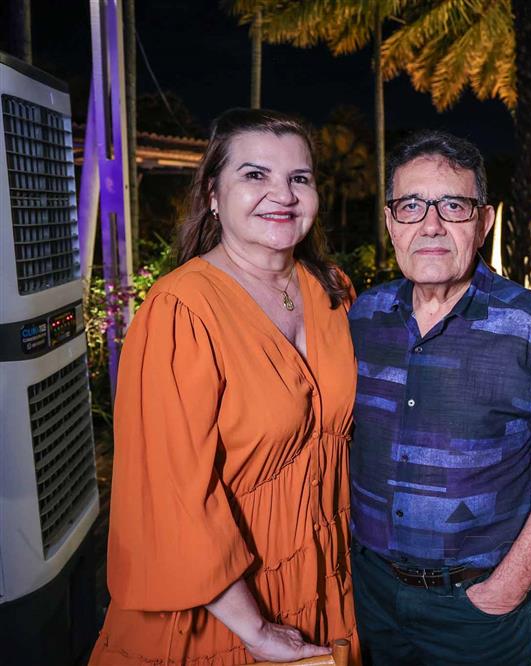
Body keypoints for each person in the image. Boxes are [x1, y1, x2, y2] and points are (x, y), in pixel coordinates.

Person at [89, 109, 359, 665]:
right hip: (222, 608)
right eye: (255, 175)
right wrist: (254, 629)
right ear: (213, 193)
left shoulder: (332, 291)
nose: (282, 195)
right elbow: (170, 492)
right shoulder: (181, 310)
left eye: (299, 178)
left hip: (326, 580)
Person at [347, 130, 531, 665]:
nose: (431, 225)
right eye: (411, 206)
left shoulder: (530, 327)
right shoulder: (363, 317)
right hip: (371, 598)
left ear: (483, 222)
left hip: (477, 611)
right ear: (391, 223)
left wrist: (506, 589)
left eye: (453, 206)